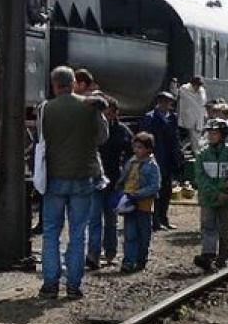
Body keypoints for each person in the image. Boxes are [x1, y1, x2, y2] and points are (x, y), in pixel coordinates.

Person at [38, 65, 109, 300]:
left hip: (54, 179)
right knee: (78, 233)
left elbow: (41, 141)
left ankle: (50, 284)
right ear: (73, 83)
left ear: (54, 84)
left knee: (50, 233)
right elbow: (102, 137)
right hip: (82, 178)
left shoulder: (45, 108)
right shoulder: (89, 106)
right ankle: (73, 286)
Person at [192, 118, 228, 272]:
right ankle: (208, 256)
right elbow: (200, 178)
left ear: (222, 135)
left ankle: (222, 257)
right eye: (209, 133)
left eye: (214, 133)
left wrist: (227, 187)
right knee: (208, 226)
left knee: (224, 228)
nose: (211, 136)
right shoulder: (202, 154)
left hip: (226, 199)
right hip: (208, 199)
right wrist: (216, 193)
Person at [89, 96, 132, 269]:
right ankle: (93, 254)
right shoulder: (93, 129)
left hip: (114, 180)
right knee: (94, 219)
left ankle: (110, 253)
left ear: (116, 113)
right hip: (95, 178)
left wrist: (126, 174)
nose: (107, 115)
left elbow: (132, 154)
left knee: (111, 220)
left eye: (111, 112)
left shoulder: (122, 131)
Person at [118, 131, 162, 273]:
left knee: (143, 234)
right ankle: (128, 261)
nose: (136, 150)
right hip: (129, 204)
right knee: (130, 234)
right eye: (135, 147)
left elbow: (155, 186)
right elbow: (124, 178)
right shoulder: (131, 162)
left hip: (144, 205)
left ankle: (141, 260)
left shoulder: (152, 165)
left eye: (140, 147)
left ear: (148, 149)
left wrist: (138, 194)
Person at [140, 91, 183, 231]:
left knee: (167, 190)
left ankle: (164, 218)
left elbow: (176, 137)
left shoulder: (172, 118)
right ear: (159, 102)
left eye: (169, 102)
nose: (167, 104)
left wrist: (178, 154)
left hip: (169, 158)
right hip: (156, 156)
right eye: (164, 101)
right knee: (155, 191)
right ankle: (155, 221)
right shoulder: (150, 118)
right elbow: (144, 139)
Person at [177, 76, 207, 152]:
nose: (198, 87)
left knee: (193, 139)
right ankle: (197, 156)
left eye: (200, 85)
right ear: (192, 84)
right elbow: (176, 94)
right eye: (197, 85)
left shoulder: (201, 91)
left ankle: (181, 151)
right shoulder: (184, 89)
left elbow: (202, 103)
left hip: (199, 119)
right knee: (194, 140)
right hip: (188, 118)